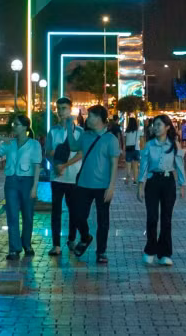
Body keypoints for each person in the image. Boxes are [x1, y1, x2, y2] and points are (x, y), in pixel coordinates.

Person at [65, 105, 120, 264]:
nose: (88, 119)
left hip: (103, 186)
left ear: (100, 119)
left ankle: (101, 251)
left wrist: (111, 186)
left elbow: (114, 164)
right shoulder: (85, 135)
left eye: (91, 116)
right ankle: (85, 237)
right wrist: (70, 129)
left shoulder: (111, 139)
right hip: (83, 184)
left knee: (103, 220)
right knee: (78, 216)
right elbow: (74, 146)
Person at [0, 115, 42, 260]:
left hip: (27, 181)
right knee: (12, 215)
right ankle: (14, 248)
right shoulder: (10, 144)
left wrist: (34, 188)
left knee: (28, 215)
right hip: (11, 181)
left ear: (25, 127)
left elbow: (37, 166)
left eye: (17, 124)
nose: (14, 127)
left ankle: (27, 244)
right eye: (14, 124)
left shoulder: (34, 145)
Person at [137, 115, 186, 266]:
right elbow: (144, 166)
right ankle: (150, 249)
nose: (156, 127)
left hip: (168, 182)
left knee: (166, 218)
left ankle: (165, 253)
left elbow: (179, 165)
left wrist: (182, 184)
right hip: (152, 182)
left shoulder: (174, 145)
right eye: (154, 125)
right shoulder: (149, 145)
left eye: (159, 125)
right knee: (152, 217)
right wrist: (141, 185)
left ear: (167, 127)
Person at [45, 98, 82, 256]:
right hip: (57, 178)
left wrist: (64, 165)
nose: (61, 111)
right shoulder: (53, 131)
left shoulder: (79, 131)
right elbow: (47, 151)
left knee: (74, 210)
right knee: (56, 211)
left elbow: (81, 153)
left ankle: (72, 239)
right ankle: (56, 245)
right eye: (59, 108)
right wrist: (55, 165)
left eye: (64, 108)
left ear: (71, 109)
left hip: (73, 177)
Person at [124, 117, 142, 187]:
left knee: (128, 166)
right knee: (135, 167)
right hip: (136, 149)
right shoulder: (138, 131)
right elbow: (141, 141)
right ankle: (135, 181)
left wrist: (124, 149)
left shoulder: (127, 131)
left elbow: (125, 142)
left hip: (128, 150)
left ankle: (128, 178)